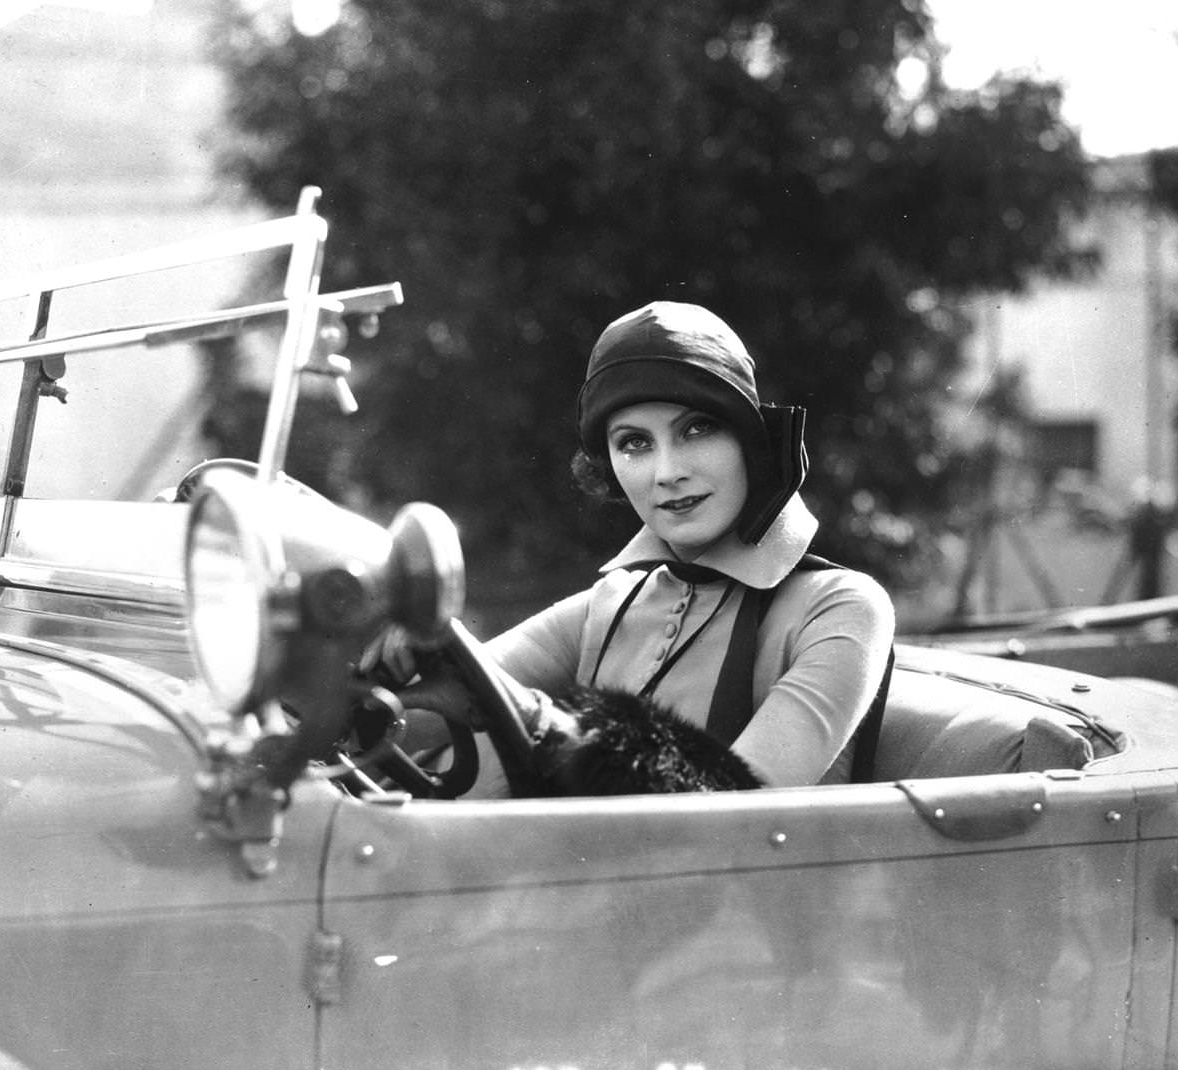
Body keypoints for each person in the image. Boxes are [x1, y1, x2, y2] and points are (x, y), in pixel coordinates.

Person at [379, 300, 895, 794]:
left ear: (750, 440)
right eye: (635, 443)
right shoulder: (607, 606)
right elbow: (413, 717)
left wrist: (549, 724)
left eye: (698, 428)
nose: (668, 472)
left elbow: (742, 817)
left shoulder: (841, 607)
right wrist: (374, 663)